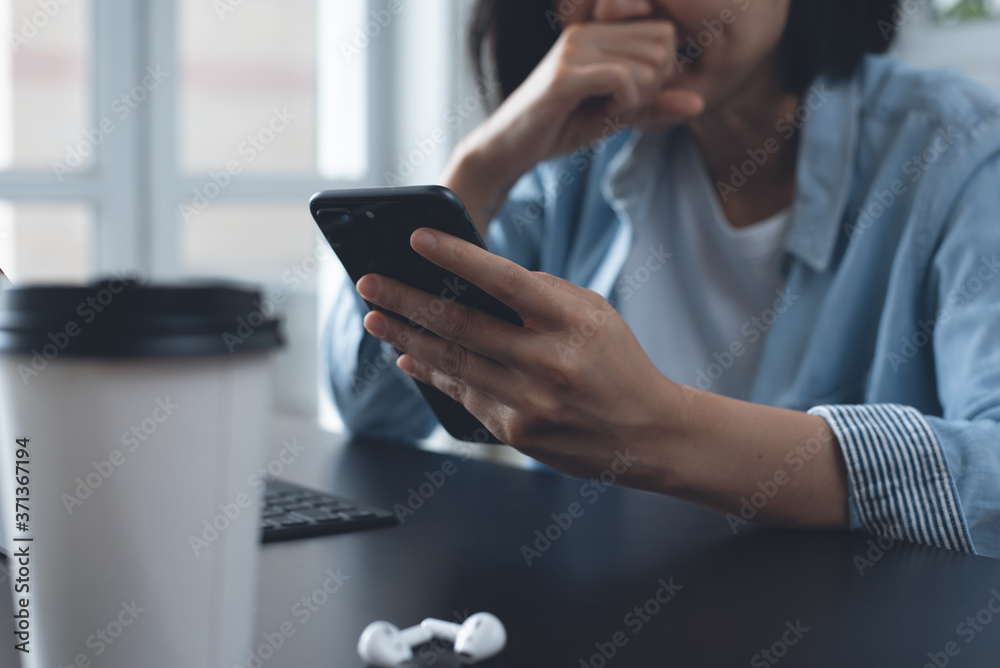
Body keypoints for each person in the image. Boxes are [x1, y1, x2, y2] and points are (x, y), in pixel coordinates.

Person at [325, 0, 1000, 558]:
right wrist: (484, 161)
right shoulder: (581, 152)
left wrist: (662, 432)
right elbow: (374, 407)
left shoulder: (957, 153)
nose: (617, 9)